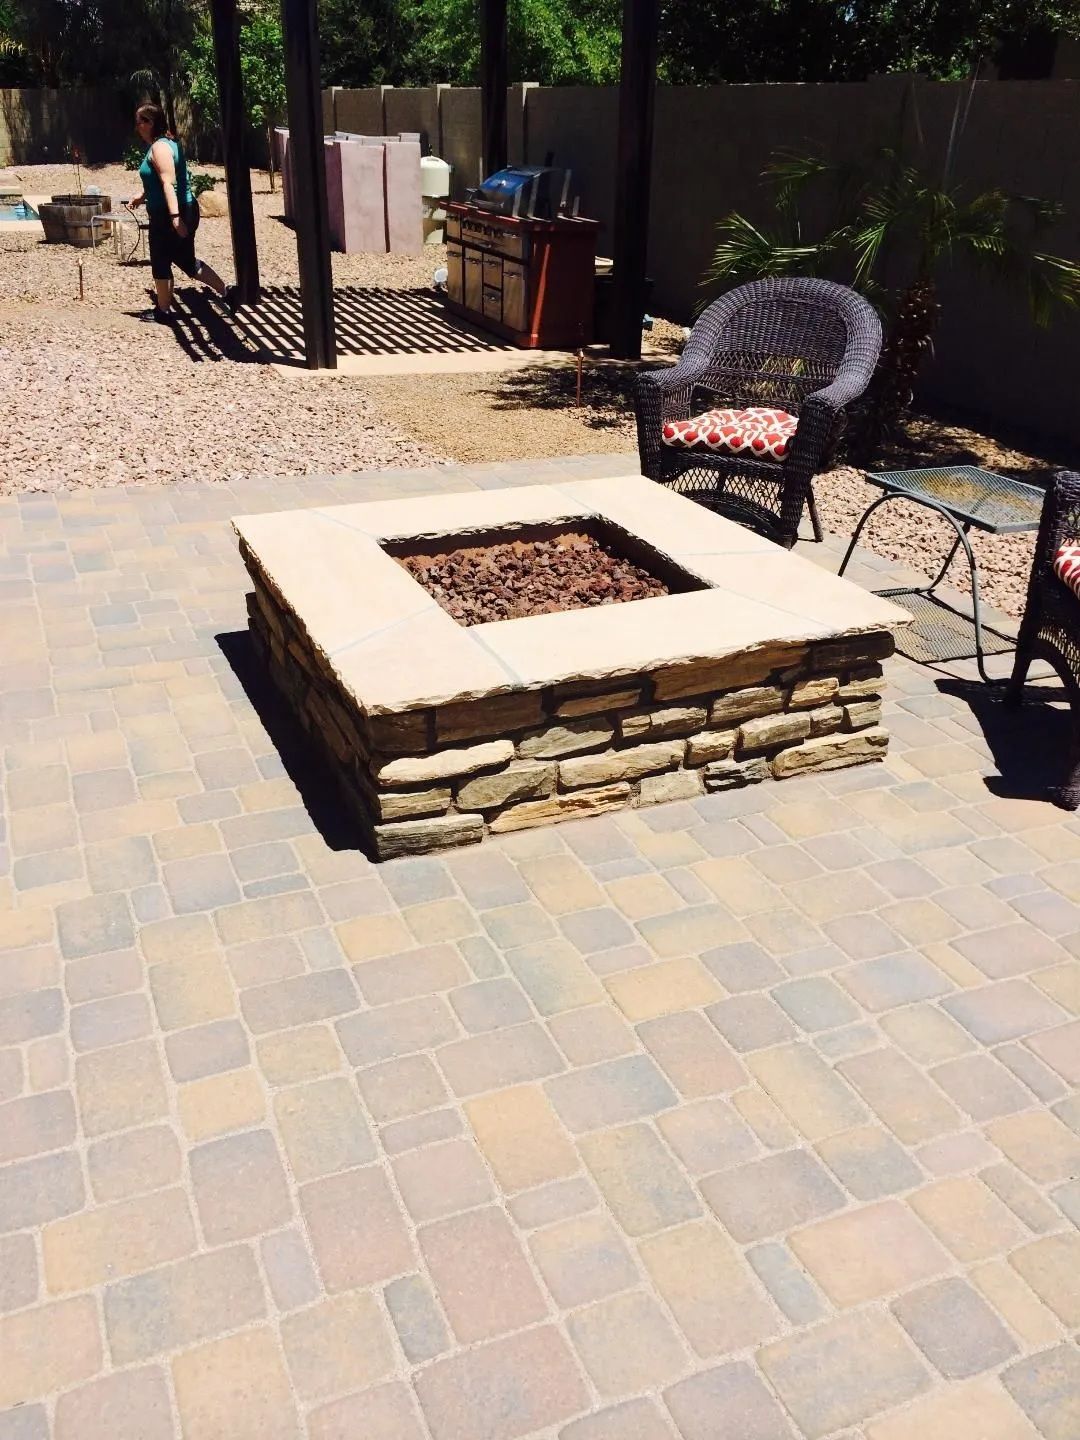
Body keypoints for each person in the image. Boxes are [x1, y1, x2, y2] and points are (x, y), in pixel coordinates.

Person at [127, 104, 237, 323]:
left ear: (151, 123)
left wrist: (175, 219)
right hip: (179, 209)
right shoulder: (167, 144)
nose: (137, 126)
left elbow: (169, 183)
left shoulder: (160, 148)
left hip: (170, 213)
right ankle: (227, 292)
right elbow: (160, 181)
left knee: (160, 260)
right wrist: (142, 196)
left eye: (140, 121)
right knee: (186, 261)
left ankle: (164, 311)